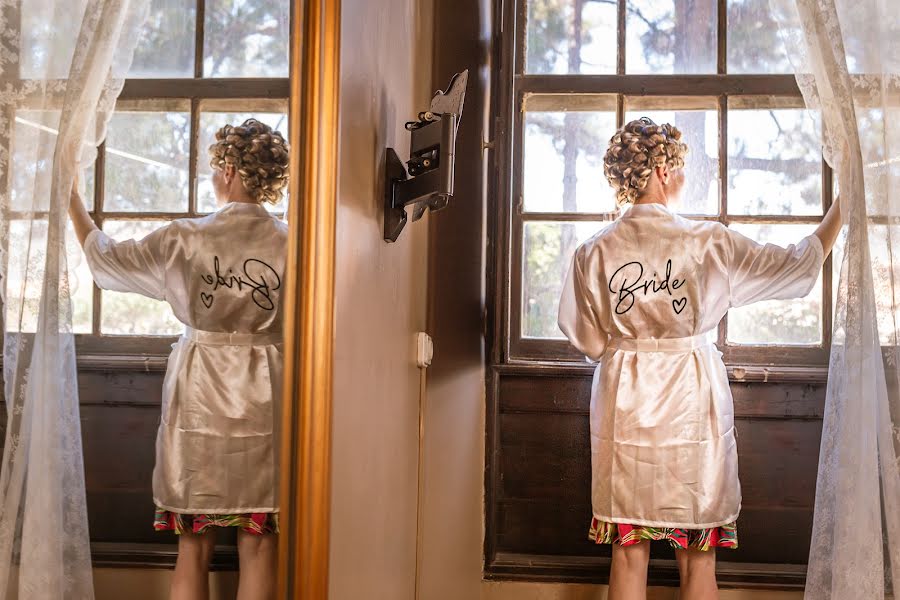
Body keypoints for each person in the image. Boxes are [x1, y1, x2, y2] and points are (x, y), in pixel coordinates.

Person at [558, 117, 842, 600]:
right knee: (697, 554)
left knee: (628, 554)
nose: (685, 177)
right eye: (681, 167)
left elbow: (584, 338)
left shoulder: (593, 251)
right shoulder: (709, 242)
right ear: (663, 171)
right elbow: (795, 266)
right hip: (693, 402)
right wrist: (842, 208)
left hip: (625, 404)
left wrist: (631, 346)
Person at [69, 118, 290, 600]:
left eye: (215, 168)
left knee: (193, 544)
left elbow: (106, 260)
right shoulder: (293, 242)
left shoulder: (184, 238)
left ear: (229, 170)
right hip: (268, 393)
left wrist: (71, 198)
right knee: (259, 542)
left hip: (200, 392)